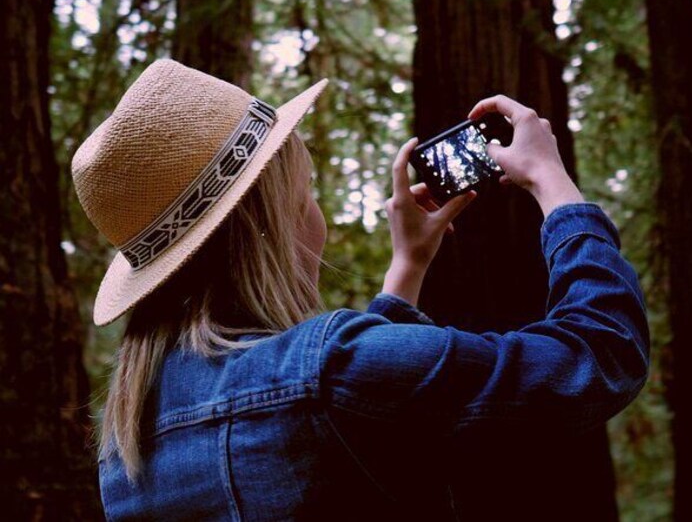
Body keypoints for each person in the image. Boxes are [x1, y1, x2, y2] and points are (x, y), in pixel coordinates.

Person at [74, 59, 649, 521]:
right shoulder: (333, 368)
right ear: (274, 222)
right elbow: (599, 357)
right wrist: (553, 182)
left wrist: (408, 268)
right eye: (307, 192)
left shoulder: (126, 450)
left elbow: (341, 428)